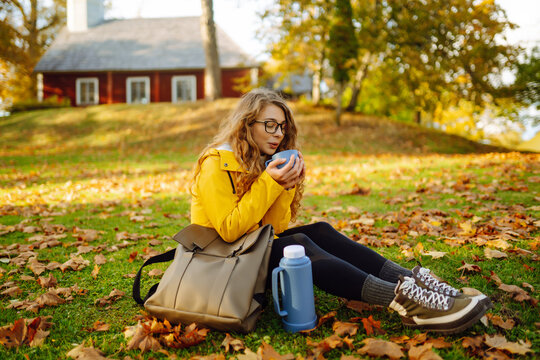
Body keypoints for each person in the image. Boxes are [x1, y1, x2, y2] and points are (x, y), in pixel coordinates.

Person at [190, 88, 491, 334]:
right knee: (300, 247)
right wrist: (270, 182)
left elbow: (274, 227)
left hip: (246, 256)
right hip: (220, 268)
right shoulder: (217, 162)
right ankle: (407, 303)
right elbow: (229, 230)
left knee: (318, 231)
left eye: (282, 126)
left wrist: (285, 186)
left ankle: (414, 283)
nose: (278, 133)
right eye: (269, 125)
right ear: (246, 124)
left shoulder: (259, 162)